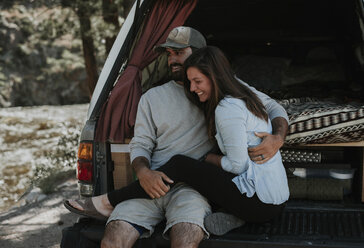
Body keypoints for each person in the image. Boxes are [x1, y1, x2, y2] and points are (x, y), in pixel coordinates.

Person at [65, 27, 289, 248]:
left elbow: (272, 106)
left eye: (179, 52)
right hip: (151, 182)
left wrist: (278, 138)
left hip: (192, 188)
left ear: (201, 55)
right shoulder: (153, 97)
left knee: (186, 237)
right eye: (169, 54)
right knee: (114, 238)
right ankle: (110, 202)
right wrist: (143, 172)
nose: (172, 59)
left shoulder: (222, 91)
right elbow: (141, 143)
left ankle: (108, 200)